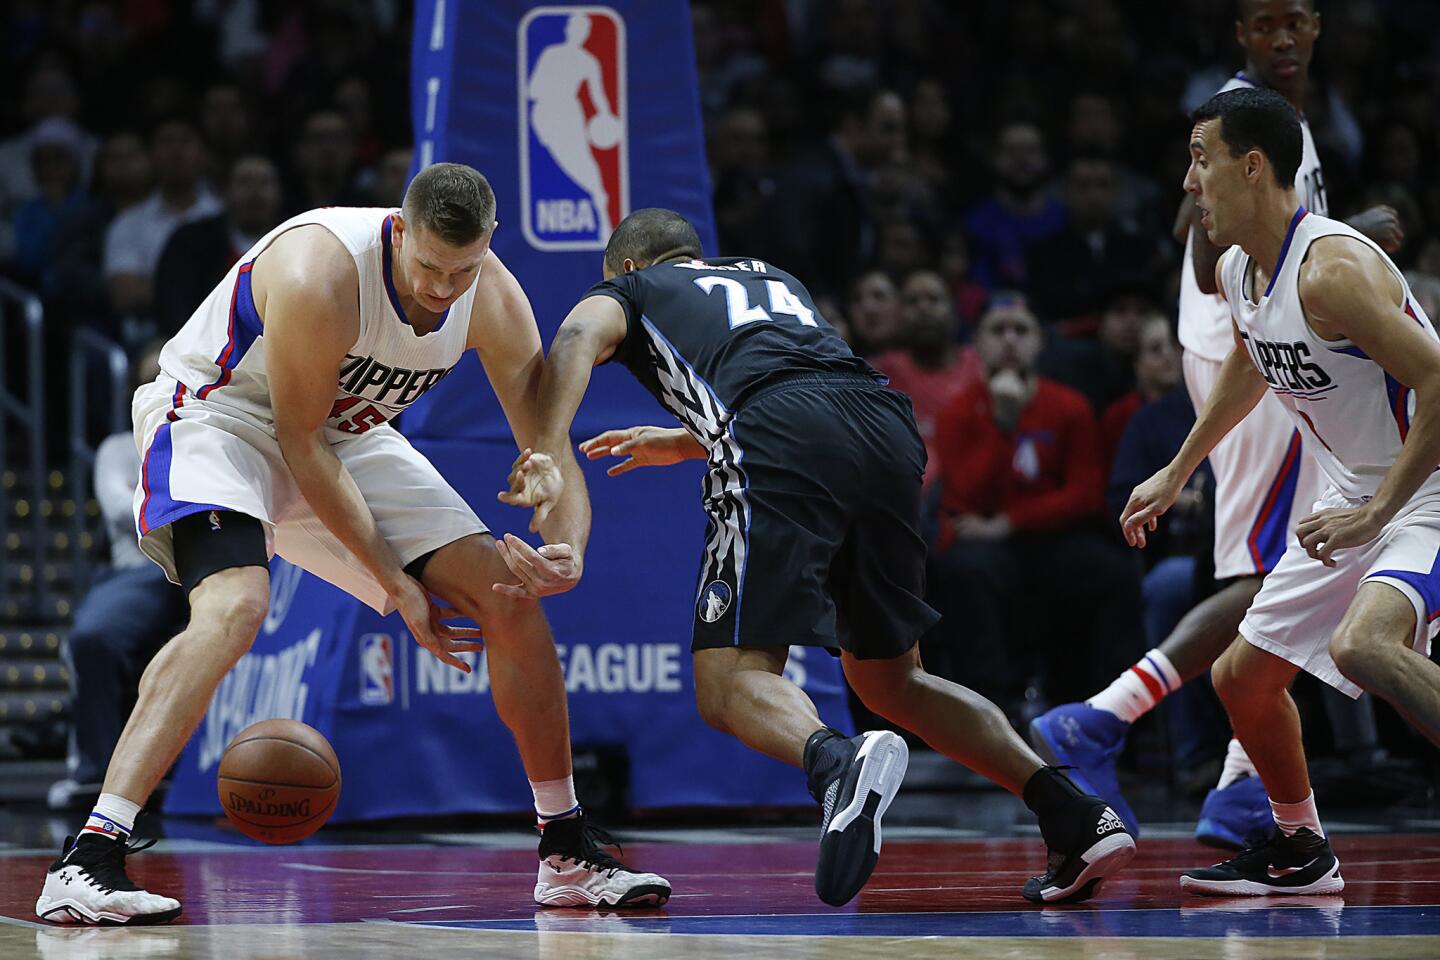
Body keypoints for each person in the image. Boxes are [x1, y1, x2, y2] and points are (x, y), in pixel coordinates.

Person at [34, 163, 669, 926]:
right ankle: (90, 854)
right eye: (429, 266)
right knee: (237, 605)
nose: (442, 288)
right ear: (399, 232)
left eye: (460, 271)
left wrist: (565, 547)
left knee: (509, 589)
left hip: (346, 433)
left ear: (488, 249)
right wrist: (397, 586)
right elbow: (300, 449)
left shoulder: (494, 298)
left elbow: (548, 444)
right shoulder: (321, 270)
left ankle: (565, 849)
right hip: (220, 415)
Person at [501, 207, 1136, 907]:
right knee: (893, 682)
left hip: (777, 434)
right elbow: (805, 380)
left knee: (727, 682)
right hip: (882, 427)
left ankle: (836, 763)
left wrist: (544, 446)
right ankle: (1074, 813)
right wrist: (689, 439)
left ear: (627, 267)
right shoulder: (773, 278)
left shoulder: (629, 289)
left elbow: (575, 338)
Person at [1028, 0, 1404, 847]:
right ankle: (1103, 719)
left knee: (1300, 561)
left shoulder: (1283, 122)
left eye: (1296, 21)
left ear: (1317, 26)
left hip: (1275, 349)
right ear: (1239, 34)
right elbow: (1206, 255)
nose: (1281, 38)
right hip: (1255, 348)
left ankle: (1243, 787)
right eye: (1264, 23)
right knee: (1273, 564)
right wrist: (1354, 233)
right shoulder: (1236, 119)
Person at [1129, 87, 1440, 895]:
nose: (1190, 182)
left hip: (1427, 488)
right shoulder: (1241, 269)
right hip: (1359, 498)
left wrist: (1378, 509)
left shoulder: (1333, 270)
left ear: (1253, 165)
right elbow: (1252, 358)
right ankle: (1302, 849)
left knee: (1363, 646)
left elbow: (1439, 378)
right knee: (1242, 680)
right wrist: (1179, 468)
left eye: (1202, 159)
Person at [930, 295, 1144, 707]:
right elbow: (969, 496)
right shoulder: (956, 412)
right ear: (978, 343)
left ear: (1039, 343)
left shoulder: (1069, 406)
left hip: (1049, 538)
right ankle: (984, 714)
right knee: (964, 571)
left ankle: (1103, 710)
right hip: (988, 547)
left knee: (1114, 575)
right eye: (998, 330)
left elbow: (1085, 493)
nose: (1010, 340)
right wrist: (1003, 424)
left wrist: (1013, 521)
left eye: (1021, 330)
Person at [49, 342, 187, 812]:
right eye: (155, 377)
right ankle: (96, 773)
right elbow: (123, 511)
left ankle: (199, 772)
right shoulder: (116, 447)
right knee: (91, 638)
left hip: (210, 568)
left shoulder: (215, 436)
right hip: (142, 569)